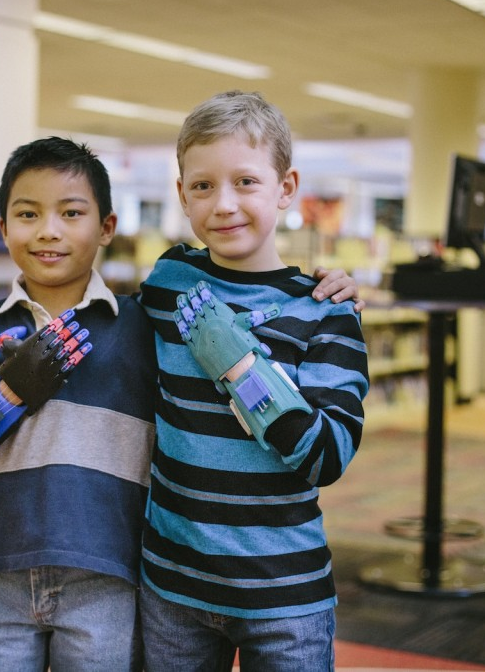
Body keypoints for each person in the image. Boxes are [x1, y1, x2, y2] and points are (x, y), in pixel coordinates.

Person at [0, 136, 364, 671]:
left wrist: (321, 286)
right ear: (3, 227)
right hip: (0, 571)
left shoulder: (140, 322)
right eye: (28, 214)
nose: (49, 230)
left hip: (111, 579)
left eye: (71, 212)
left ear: (107, 226)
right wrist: (8, 394)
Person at [137, 90, 370, 671]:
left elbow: (326, 456)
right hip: (173, 588)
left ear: (285, 189)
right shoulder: (170, 284)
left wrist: (239, 364)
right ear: (182, 195)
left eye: (246, 182)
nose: (223, 204)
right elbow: (146, 299)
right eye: (202, 186)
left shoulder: (327, 311)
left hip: (284, 595)